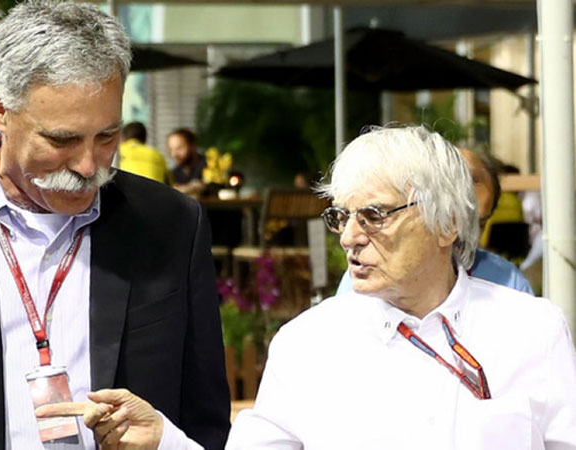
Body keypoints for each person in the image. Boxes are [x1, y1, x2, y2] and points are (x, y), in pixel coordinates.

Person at [0, 2, 230, 449]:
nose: (88, 166)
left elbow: (205, 419)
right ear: (1, 108)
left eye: (107, 136)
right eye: (62, 140)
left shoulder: (172, 223)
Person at [226, 125, 576, 449]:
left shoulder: (533, 331)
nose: (349, 237)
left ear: (447, 223)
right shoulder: (307, 344)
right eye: (342, 216)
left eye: (374, 215)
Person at [337, 147, 533, 295]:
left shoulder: (508, 283)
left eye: (478, 223)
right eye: (450, 218)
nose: (460, 233)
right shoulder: (371, 276)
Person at [166, 128, 206, 197]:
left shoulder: (210, 167)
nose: (174, 154)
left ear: (192, 146)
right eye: (171, 149)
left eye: (179, 148)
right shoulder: (174, 173)